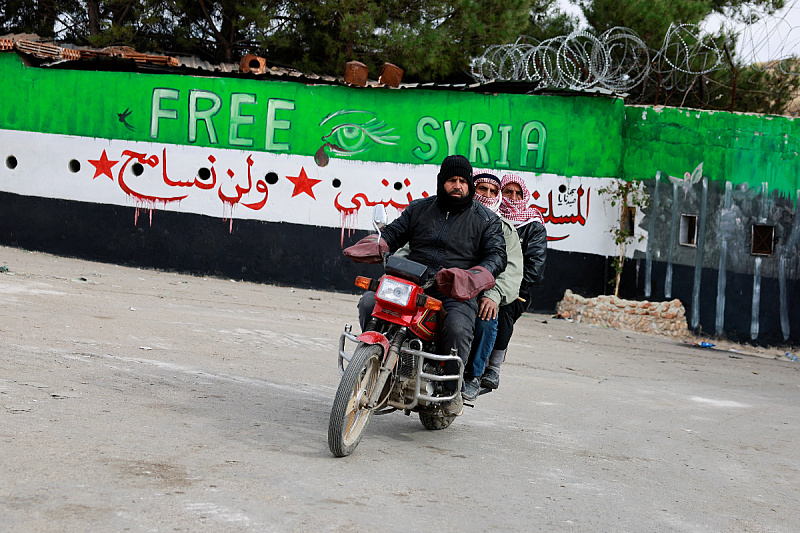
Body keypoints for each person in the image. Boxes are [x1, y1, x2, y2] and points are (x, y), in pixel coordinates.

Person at [356, 155, 507, 416]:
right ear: (441, 182)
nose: (457, 186)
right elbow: (393, 233)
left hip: (455, 288)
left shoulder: (486, 220)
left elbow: (497, 255)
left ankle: (451, 389)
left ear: (469, 185)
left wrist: (475, 275)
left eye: (462, 181)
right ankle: (376, 358)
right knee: (369, 302)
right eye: (452, 180)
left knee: (458, 327)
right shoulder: (419, 208)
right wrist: (379, 243)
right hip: (412, 280)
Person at [480, 173, 547, 390]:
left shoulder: (533, 225)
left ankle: (494, 367)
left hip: (518, 287)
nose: (513, 197)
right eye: (508, 192)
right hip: (486, 279)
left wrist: (506, 285)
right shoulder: (491, 216)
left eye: (518, 193)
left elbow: (534, 269)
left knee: (503, 309)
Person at [462, 172, 523, 401]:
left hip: (482, 291)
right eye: (482, 189)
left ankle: (474, 375)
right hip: (449, 284)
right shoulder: (453, 216)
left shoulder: (505, 229)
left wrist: (493, 295)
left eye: (493, 191)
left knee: (487, 319)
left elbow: (511, 270)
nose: (487, 195)